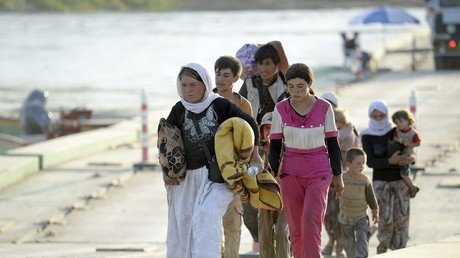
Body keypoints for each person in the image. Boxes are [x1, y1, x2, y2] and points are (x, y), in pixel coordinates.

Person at [164, 63, 263, 258]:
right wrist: (168, 172)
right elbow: (166, 141)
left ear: (204, 84)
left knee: (206, 217)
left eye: (192, 85)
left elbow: (250, 125)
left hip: (219, 178)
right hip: (188, 179)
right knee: (185, 224)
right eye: (183, 85)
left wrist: (255, 154)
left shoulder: (219, 104)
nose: (188, 90)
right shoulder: (179, 109)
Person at [269, 63, 344, 258]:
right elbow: (275, 145)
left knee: (311, 222)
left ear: (309, 84)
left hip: (319, 171)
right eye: (290, 86)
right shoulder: (281, 109)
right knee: (295, 228)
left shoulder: (324, 107)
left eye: (300, 86)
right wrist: (275, 173)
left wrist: (338, 174)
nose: (295, 91)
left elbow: (333, 144)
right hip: (290, 172)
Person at [238, 40, 289, 251]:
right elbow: (237, 111)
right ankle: (261, 242)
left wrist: (265, 45)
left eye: (269, 63)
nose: (265, 68)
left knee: (280, 203)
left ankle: (283, 247)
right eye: (260, 63)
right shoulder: (249, 84)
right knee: (249, 206)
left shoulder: (287, 82)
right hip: (254, 152)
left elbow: (277, 44)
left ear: (276, 64)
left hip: (282, 152)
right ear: (255, 65)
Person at [361, 100, 414, 254]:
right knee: (385, 219)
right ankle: (383, 249)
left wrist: (410, 157)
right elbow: (370, 161)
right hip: (381, 183)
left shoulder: (396, 131)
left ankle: (400, 251)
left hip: (400, 181)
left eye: (381, 115)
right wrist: (390, 161)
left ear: (386, 115)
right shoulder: (367, 135)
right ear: (370, 116)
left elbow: (410, 148)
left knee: (402, 219)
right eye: (374, 116)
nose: (378, 119)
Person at [214, 55, 252, 258]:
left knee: (233, 225)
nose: (220, 79)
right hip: (208, 171)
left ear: (236, 78)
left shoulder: (243, 105)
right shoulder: (205, 101)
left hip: (233, 172)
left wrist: (249, 172)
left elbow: (250, 140)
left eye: (226, 75)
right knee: (209, 227)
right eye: (218, 74)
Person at [320, 92, 359, 257]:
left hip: (343, 179)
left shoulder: (350, 132)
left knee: (341, 214)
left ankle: (338, 245)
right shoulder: (318, 128)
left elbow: (356, 157)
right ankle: (331, 239)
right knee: (327, 214)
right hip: (324, 178)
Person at [257, 112, 291, 258]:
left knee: (282, 233)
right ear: (262, 132)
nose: (270, 132)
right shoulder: (257, 152)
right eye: (266, 128)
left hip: (286, 200)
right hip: (264, 200)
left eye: (274, 128)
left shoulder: (290, 151)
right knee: (265, 239)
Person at [338, 148, 379, 258]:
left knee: (362, 239)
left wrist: (375, 211)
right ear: (348, 164)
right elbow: (333, 190)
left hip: (361, 216)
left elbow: (371, 197)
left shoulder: (364, 180)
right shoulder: (341, 178)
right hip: (345, 216)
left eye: (364, 163)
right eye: (358, 163)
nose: (362, 166)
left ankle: (362, 256)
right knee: (348, 242)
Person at [391, 109, 421, 198]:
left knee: (403, 173)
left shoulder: (413, 133)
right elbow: (394, 139)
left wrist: (408, 144)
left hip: (408, 154)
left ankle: (412, 187)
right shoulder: (397, 131)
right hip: (399, 153)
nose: (398, 124)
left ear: (408, 120)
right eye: (396, 122)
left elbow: (418, 143)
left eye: (400, 121)